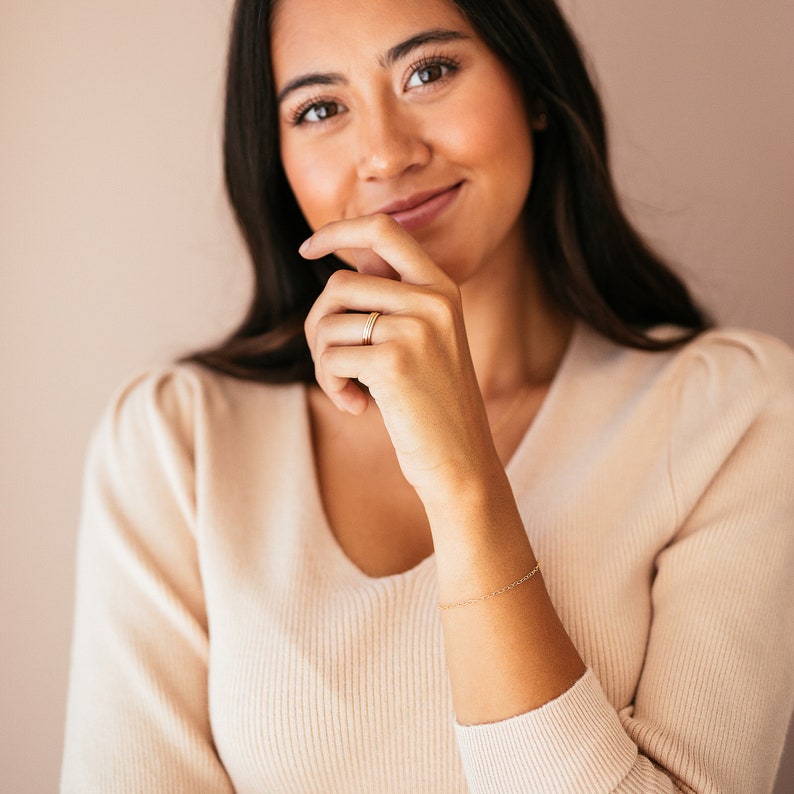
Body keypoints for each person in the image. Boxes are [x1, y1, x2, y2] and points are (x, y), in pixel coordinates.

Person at [61, 0, 794, 791]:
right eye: (320, 108)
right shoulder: (179, 441)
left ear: (535, 87)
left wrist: (465, 481)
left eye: (430, 71)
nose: (385, 154)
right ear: (274, 156)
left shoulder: (735, 412)